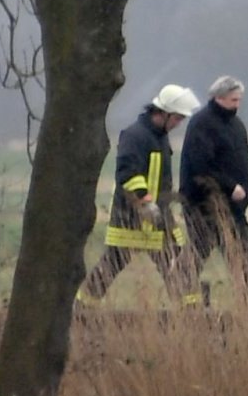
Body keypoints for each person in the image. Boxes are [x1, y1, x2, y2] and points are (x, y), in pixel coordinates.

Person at [79, 84, 203, 307]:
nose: (178, 124)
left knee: (179, 267)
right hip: (131, 220)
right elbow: (127, 172)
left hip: (159, 221)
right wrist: (144, 200)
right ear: (163, 113)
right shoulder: (135, 136)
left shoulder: (159, 137)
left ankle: (192, 315)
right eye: (177, 118)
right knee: (109, 268)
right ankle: (80, 311)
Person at [178, 76, 248, 307]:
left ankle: (246, 306)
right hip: (204, 204)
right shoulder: (202, 124)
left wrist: (245, 194)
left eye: (239, 100)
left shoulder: (236, 125)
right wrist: (230, 187)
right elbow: (201, 165)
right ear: (218, 97)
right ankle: (186, 300)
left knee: (243, 258)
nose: (237, 105)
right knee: (197, 253)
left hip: (235, 207)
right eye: (233, 100)